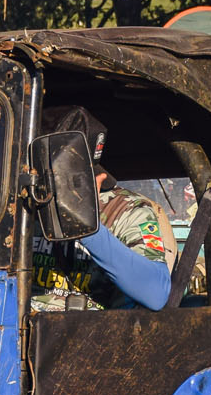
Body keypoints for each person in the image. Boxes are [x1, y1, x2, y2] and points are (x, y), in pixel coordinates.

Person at [29, 106, 174, 312]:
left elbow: (156, 293)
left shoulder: (127, 210)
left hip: (97, 336)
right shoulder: (19, 208)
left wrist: (88, 226)